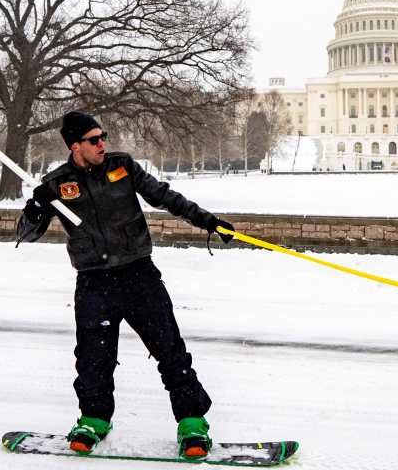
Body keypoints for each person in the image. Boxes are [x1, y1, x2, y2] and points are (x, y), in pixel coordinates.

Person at [17, 111, 235, 460]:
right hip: (93, 283)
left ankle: (192, 422)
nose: (102, 143)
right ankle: (94, 420)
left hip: (139, 276)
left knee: (170, 351)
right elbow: (25, 235)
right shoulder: (57, 184)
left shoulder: (122, 167)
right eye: (93, 139)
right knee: (93, 360)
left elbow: (165, 197)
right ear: (75, 146)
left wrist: (208, 221)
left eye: (102, 136)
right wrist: (37, 207)